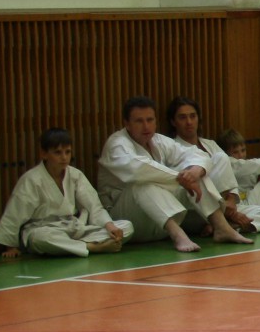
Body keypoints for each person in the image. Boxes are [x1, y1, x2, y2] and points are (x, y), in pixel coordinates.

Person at [97, 96, 247, 251]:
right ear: (127, 124)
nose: (146, 126)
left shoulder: (158, 141)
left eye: (150, 120)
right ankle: (179, 236)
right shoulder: (117, 144)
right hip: (126, 221)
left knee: (193, 171)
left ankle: (222, 227)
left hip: (158, 223)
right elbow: (139, 170)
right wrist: (181, 178)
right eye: (139, 121)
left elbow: (196, 154)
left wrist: (195, 172)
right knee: (142, 183)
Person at [0, 128, 130, 258]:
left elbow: (94, 207)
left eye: (67, 152)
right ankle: (91, 247)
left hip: (74, 228)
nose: (64, 157)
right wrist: (10, 246)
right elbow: (15, 213)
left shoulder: (75, 175)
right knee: (39, 238)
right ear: (44, 154)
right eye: (58, 152)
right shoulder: (31, 180)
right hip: (45, 229)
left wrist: (110, 226)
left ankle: (74, 246)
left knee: (126, 227)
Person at [167, 97, 260, 235]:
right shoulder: (172, 149)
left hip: (226, 205)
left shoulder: (210, 144)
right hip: (198, 209)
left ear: (198, 118)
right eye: (182, 117)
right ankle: (221, 222)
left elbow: (234, 167)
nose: (189, 122)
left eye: (192, 116)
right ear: (173, 122)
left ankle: (229, 226)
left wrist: (231, 200)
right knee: (220, 157)